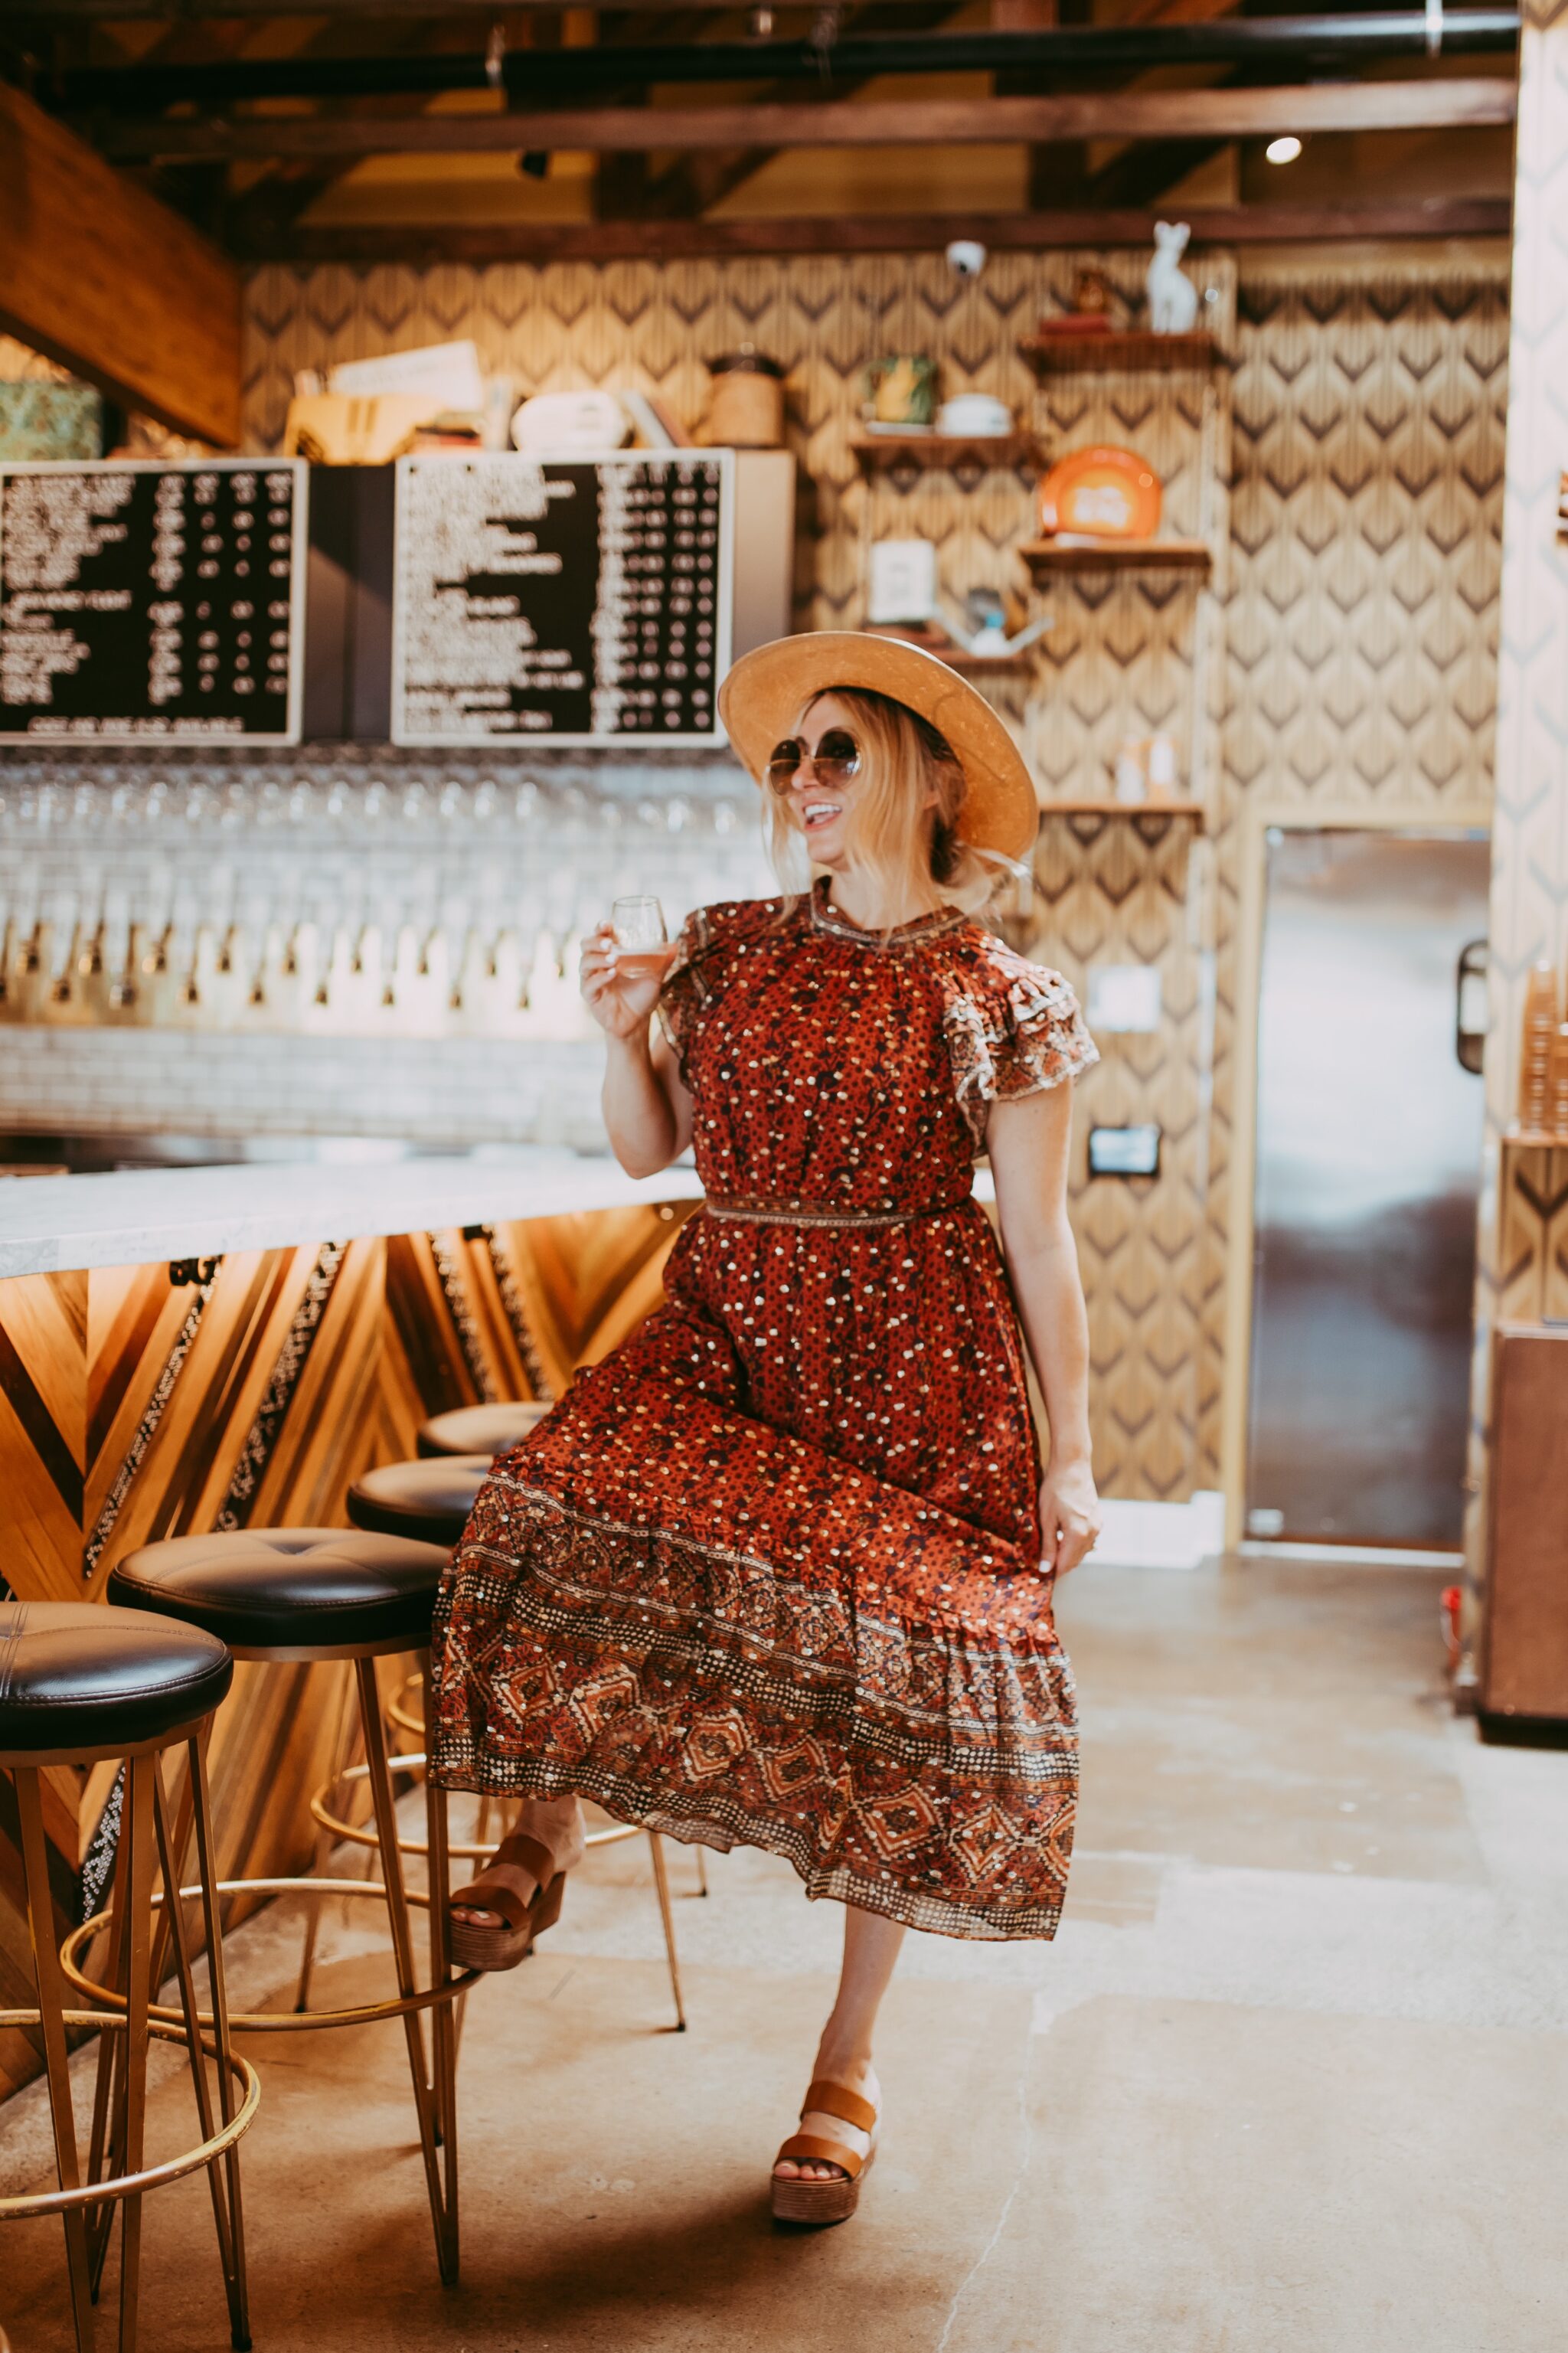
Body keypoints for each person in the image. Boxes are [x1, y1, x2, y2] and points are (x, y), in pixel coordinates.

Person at [430, 631, 1102, 2227]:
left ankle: (842, 2066)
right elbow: (644, 1149)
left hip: (918, 1366)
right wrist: (617, 1038)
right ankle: (542, 1832)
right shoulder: (724, 947)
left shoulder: (1002, 994)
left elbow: (1042, 1241)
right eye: (787, 760)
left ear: (923, 776)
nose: (800, 784)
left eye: (835, 754)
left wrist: (1070, 1450)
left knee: (892, 1695)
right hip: (734, 1319)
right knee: (557, 1501)